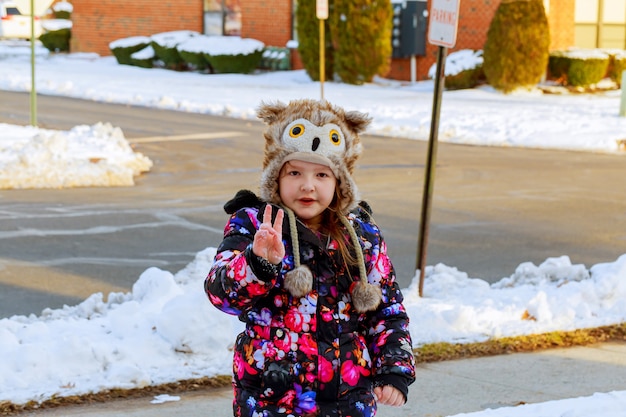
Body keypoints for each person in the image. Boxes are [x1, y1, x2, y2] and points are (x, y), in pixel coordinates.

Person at [205, 99, 415, 417]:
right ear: (275, 176)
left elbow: (387, 311)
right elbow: (221, 296)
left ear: (339, 182)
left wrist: (394, 371)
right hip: (270, 400)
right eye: (294, 172)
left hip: (348, 401)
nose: (307, 185)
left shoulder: (362, 234)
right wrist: (256, 263)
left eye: (321, 175)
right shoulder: (255, 223)